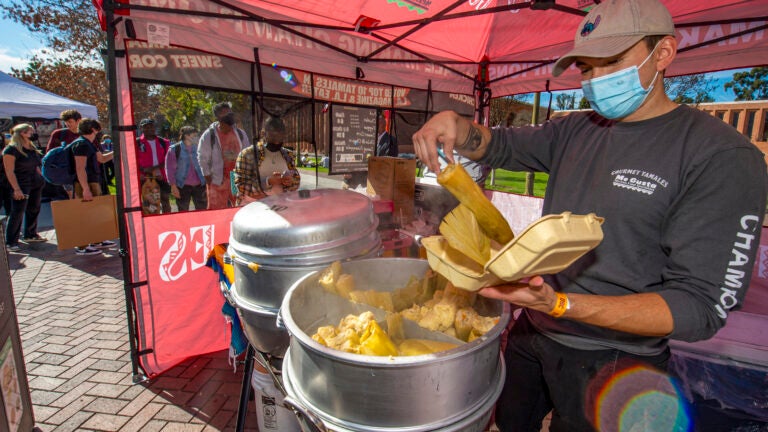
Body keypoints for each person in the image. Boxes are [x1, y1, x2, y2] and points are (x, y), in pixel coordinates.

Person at [411, 1, 768, 431]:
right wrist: (456, 126)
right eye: (586, 67)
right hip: (535, 333)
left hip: (620, 360)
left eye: (611, 62)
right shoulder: (576, 130)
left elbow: (699, 308)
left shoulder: (720, 156)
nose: (596, 79)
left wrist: (562, 304)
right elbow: (498, 144)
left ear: (665, 52)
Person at [72, 118, 115, 255]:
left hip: (94, 181)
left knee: (95, 212)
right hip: (85, 183)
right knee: (86, 213)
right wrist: (85, 188)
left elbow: (101, 159)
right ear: (93, 129)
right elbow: (80, 168)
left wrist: (118, 150)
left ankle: (97, 240)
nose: (99, 132)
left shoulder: (90, 144)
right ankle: (82, 246)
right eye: (97, 129)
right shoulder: (81, 145)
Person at [233, 116, 300, 205]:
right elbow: (241, 186)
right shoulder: (248, 154)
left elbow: (296, 182)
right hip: (251, 208)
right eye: (273, 137)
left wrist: (289, 181)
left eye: (280, 137)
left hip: (279, 207)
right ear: (263, 134)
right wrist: (268, 181)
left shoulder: (288, 155)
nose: (276, 142)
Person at [2, 124, 46, 252]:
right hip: (21, 183)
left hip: (35, 183)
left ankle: (31, 233)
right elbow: (9, 171)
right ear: (22, 133)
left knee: (34, 208)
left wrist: (41, 177)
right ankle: (11, 241)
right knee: (17, 212)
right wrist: (16, 189)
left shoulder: (31, 148)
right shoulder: (11, 150)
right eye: (30, 132)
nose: (33, 134)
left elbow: (36, 165)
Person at [198, 102, 250, 209]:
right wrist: (208, 177)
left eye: (229, 111)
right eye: (224, 113)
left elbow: (248, 154)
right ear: (217, 117)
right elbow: (202, 157)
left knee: (239, 207)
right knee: (216, 211)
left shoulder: (240, 134)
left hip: (234, 178)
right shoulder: (209, 135)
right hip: (217, 180)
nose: (228, 114)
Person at [165, 126, 207, 212]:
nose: (197, 137)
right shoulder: (174, 149)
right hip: (182, 186)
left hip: (199, 185)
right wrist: (173, 186)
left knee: (202, 211)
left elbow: (205, 164)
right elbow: (169, 169)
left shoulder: (199, 147)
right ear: (187, 136)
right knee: (183, 211)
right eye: (194, 135)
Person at [45, 109, 83, 200]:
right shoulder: (59, 134)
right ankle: (77, 213)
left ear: (78, 121)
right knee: (74, 196)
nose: (67, 124)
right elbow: (49, 152)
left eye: (70, 121)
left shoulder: (86, 133)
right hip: (67, 171)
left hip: (85, 170)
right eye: (65, 122)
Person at [136, 118, 171, 214]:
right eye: (145, 127)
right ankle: (153, 219)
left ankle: (168, 219)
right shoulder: (137, 143)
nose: (149, 129)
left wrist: (155, 169)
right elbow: (133, 161)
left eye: (151, 127)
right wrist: (140, 173)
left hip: (162, 176)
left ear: (154, 128)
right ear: (141, 129)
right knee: (150, 202)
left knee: (165, 199)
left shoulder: (164, 142)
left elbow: (169, 160)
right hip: (145, 177)